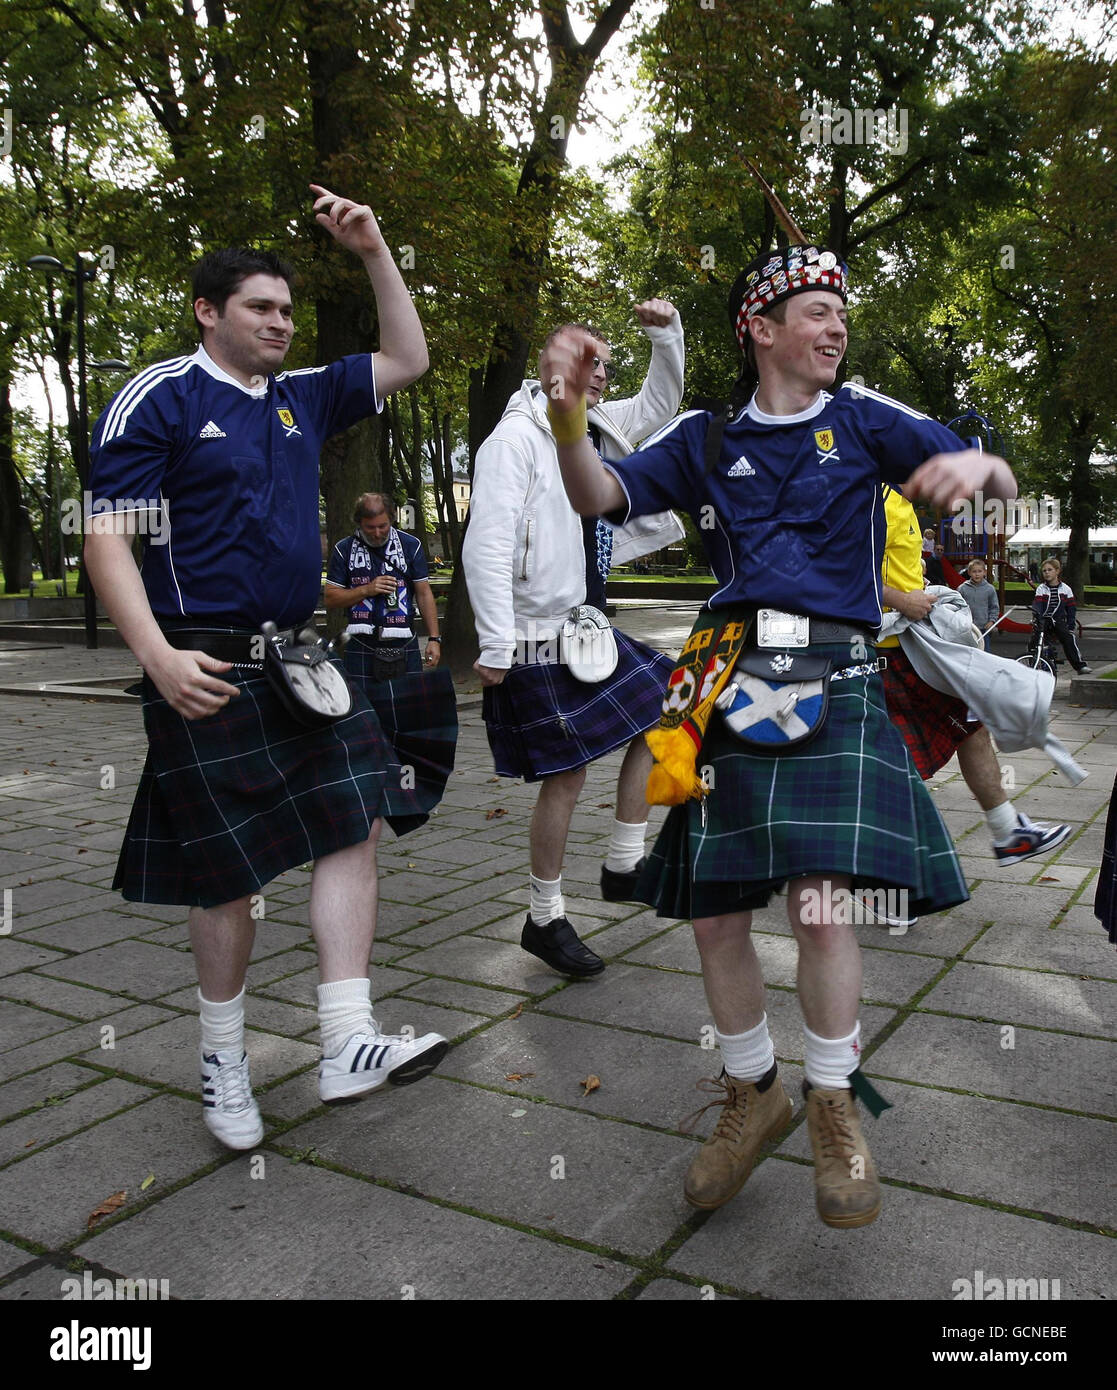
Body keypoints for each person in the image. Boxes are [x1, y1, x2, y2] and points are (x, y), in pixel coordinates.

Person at [541, 242, 1018, 1229]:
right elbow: (594, 495)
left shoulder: (864, 418)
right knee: (715, 913)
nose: (835, 325)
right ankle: (754, 1092)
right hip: (725, 672)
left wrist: (968, 463)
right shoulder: (702, 440)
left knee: (817, 903)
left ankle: (833, 1103)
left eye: (840, 310)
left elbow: (967, 473)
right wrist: (566, 413)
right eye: (813, 309)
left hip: (836, 675)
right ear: (758, 329)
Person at [84, 186, 448, 1152]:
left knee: (354, 823)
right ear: (209, 312)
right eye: (260, 307)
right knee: (227, 879)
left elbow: (408, 358)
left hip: (302, 660)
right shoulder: (161, 397)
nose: (280, 323)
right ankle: (222, 1061)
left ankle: (345, 1040)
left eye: (287, 310)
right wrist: (155, 658)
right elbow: (106, 541)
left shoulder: (303, 397)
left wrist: (373, 249)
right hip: (202, 666)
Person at [463, 301, 685, 978]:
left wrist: (664, 335)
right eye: (586, 365)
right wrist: (497, 644)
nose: (598, 378)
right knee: (564, 777)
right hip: (536, 635)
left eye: (603, 367)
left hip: (587, 625)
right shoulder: (512, 443)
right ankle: (544, 916)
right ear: (551, 369)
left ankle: (623, 862)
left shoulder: (595, 422)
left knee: (668, 706)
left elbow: (661, 398)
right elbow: (487, 547)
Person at [878, 486, 1069, 884]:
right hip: (875, 651)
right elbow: (831, 570)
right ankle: (880, 871)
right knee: (889, 766)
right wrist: (900, 600)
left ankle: (1009, 832)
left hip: (916, 647)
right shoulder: (862, 493)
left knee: (972, 726)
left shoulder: (899, 499)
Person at [324, 492, 457, 826]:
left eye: (383, 526)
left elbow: (424, 592)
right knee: (363, 722)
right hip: (362, 646)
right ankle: (368, 790)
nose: (378, 533)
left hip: (404, 644)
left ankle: (409, 793)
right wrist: (366, 590)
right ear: (360, 524)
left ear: (393, 519)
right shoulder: (343, 549)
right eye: (371, 527)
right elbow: (331, 597)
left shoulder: (410, 545)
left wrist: (435, 638)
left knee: (407, 724)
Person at [1032, 557, 1091, 673]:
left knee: (1068, 638)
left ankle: (1079, 666)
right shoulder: (1041, 589)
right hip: (1044, 620)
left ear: (1057, 571)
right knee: (1036, 640)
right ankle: (1037, 664)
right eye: (1044, 571)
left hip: (1058, 620)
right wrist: (1038, 618)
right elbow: (1037, 605)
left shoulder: (1066, 589)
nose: (1047, 573)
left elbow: (1071, 609)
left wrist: (1070, 625)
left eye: (1050, 570)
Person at [957, 557, 999, 649]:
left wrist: (992, 621)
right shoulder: (962, 588)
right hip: (967, 627)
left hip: (984, 627)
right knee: (967, 651)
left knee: (984, 651)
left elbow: (994, 607)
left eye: (979, 571)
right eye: (974, 571)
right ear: (969, 573)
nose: (977, 574)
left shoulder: (990, 589)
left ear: (984, 572)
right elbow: (957, 606)